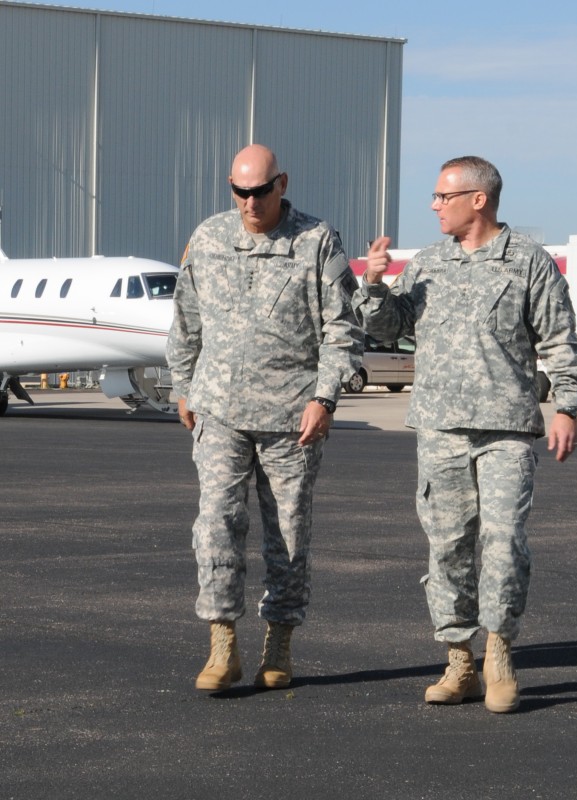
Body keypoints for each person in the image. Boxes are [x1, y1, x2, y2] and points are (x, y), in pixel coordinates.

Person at [354, 156, 577, 713]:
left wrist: (567, 407)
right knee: (448, 547)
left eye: (443, 196)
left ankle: (500, 652)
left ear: (478, 199)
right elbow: (387, 329)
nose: (434, 205)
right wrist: (373, 282)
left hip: (506, 428)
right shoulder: (429, 263)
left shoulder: (528, 263)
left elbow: (560, 342)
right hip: (439, 426)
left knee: (505, 542)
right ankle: (459, 658)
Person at [167, 144, 363, 692]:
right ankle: (222, 643)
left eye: (260, 190)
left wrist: (325, 398)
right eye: (239, 191)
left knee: (289, 532)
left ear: (282, 183)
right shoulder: (208, 237)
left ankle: (279, 640)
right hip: (220, 412)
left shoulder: (316, 240)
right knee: (216, 526)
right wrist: (183, 387)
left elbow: (342, 328)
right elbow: (185, 319)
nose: (250, 203)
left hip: (290, 417)